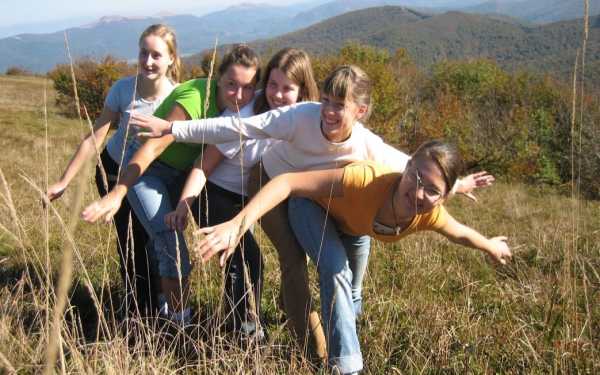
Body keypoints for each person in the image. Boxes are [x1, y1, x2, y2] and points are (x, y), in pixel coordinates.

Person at [124, 64, 492, 358]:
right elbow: (237, 126)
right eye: (327, 100)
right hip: (272, 184)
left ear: (360, 112)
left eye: (340, 106)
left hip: (316, 198)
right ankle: (309, 350)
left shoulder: (367, 144)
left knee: (337, 271)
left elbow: (413, 168)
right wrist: (173, 126)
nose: (329, 112)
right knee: (293, 262)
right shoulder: (299, 116)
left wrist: (457, 185)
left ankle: (294, 305)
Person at [191, 140, 512, 374]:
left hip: (356, 228)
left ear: (444, 197)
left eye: (432, 190)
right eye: (416, 177)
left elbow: (460, 233)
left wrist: (491, 246)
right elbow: (287, 182)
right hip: (312, 207)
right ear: (407, 165)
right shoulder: (363, 180)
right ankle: (346, 366)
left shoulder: (430, 214)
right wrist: (238, 224)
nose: (418, 193)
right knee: (335, 270)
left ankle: (326, 318)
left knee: (352, 296)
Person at [82, 45, 260, 325]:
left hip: (184, 174)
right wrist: (118, 192)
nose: (238, 95)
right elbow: (152, 149)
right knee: (170, 244)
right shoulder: (195, 99)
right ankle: (179, 323)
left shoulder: (249, 105)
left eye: (247, 87)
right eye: (231, 85)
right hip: (148, 172)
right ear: (217, 80)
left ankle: (166, 305)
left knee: (164, 244)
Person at [165, 48, 321, 340]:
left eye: (287, 88)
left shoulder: (309, 116)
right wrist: (184, 206)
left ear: (302, 91)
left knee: (298, 250)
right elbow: (203, 165)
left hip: (260, 194)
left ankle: (289, 307)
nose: (276, 94)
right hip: (216, 195)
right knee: (247, 258)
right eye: (272, 85)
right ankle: (242, 330)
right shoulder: (248, 117)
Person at [47, 24, 180, 316]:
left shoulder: (176, 97)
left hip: (154, 175)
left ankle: (163, 302)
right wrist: (63, 181)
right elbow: (96, 137)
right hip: (113, 170)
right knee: (130, 241)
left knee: (156, 239)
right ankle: (139, 309)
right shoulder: (123, 89)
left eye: (156, 55)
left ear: (171, 58)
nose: (147, 61)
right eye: (143, 53)